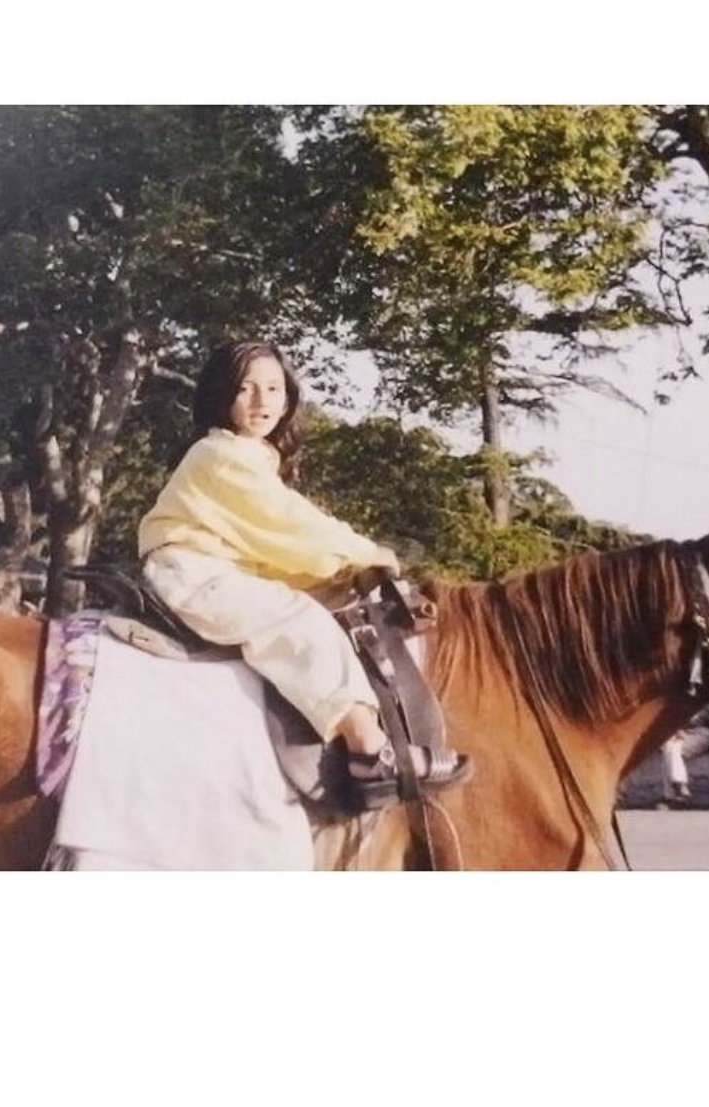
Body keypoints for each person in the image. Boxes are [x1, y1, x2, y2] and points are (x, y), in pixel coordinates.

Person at [137, 340, 471, 808]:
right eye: (246, 388)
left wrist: (343, 569)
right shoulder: (220, 455)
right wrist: (364, 553)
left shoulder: (248, 455)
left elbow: (272, 541)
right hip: (192, 571)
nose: (262, 401)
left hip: (217, 565)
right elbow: (288, 525)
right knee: (297, 619)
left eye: (274, 388)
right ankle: (369, 750)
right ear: (222, 395)